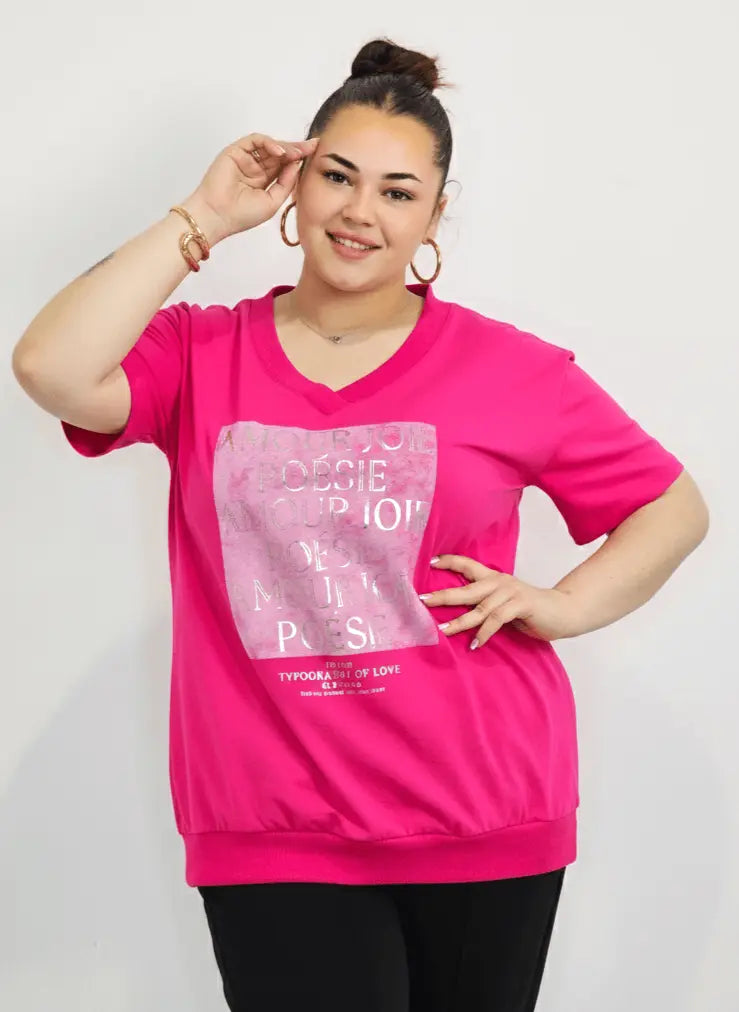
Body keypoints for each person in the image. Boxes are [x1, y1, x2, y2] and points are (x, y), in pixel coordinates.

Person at [12, 35, 709, 1012]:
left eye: (397, 191)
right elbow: (49, 368)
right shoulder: (201, 355)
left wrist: (563, 604)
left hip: (483, 816)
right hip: (274, 827)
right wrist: (203, 215)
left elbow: (671, 507)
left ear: (433, 216)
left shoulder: (509, 370)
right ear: (295, 184)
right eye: (337, 176)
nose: (359, 211)